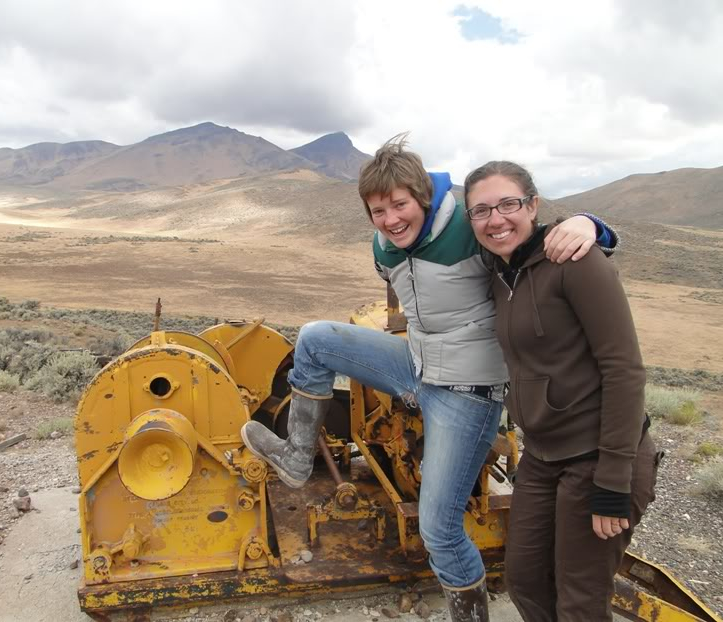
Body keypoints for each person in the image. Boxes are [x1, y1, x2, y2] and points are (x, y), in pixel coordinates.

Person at [241, 136, 616, 622]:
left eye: (400, 205)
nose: (391, 219)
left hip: (468, 392)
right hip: (415, 366)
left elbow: (532, 241)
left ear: (422, 196)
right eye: (379, 210)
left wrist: (594, 227)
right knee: (314, 339)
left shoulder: (470, 228)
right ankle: (295, 457)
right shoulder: (385, 245)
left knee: (439, 529)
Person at [463, 160, 659, 621]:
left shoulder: (575, 261)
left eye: (508, 204)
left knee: (580, 597)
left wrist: (612, 480)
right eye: (481, 210)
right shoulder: (497, 273)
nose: (496, 219)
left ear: (532, 205)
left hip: (602, 457)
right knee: (526, 580)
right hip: (542, 457)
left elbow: (624, 369)